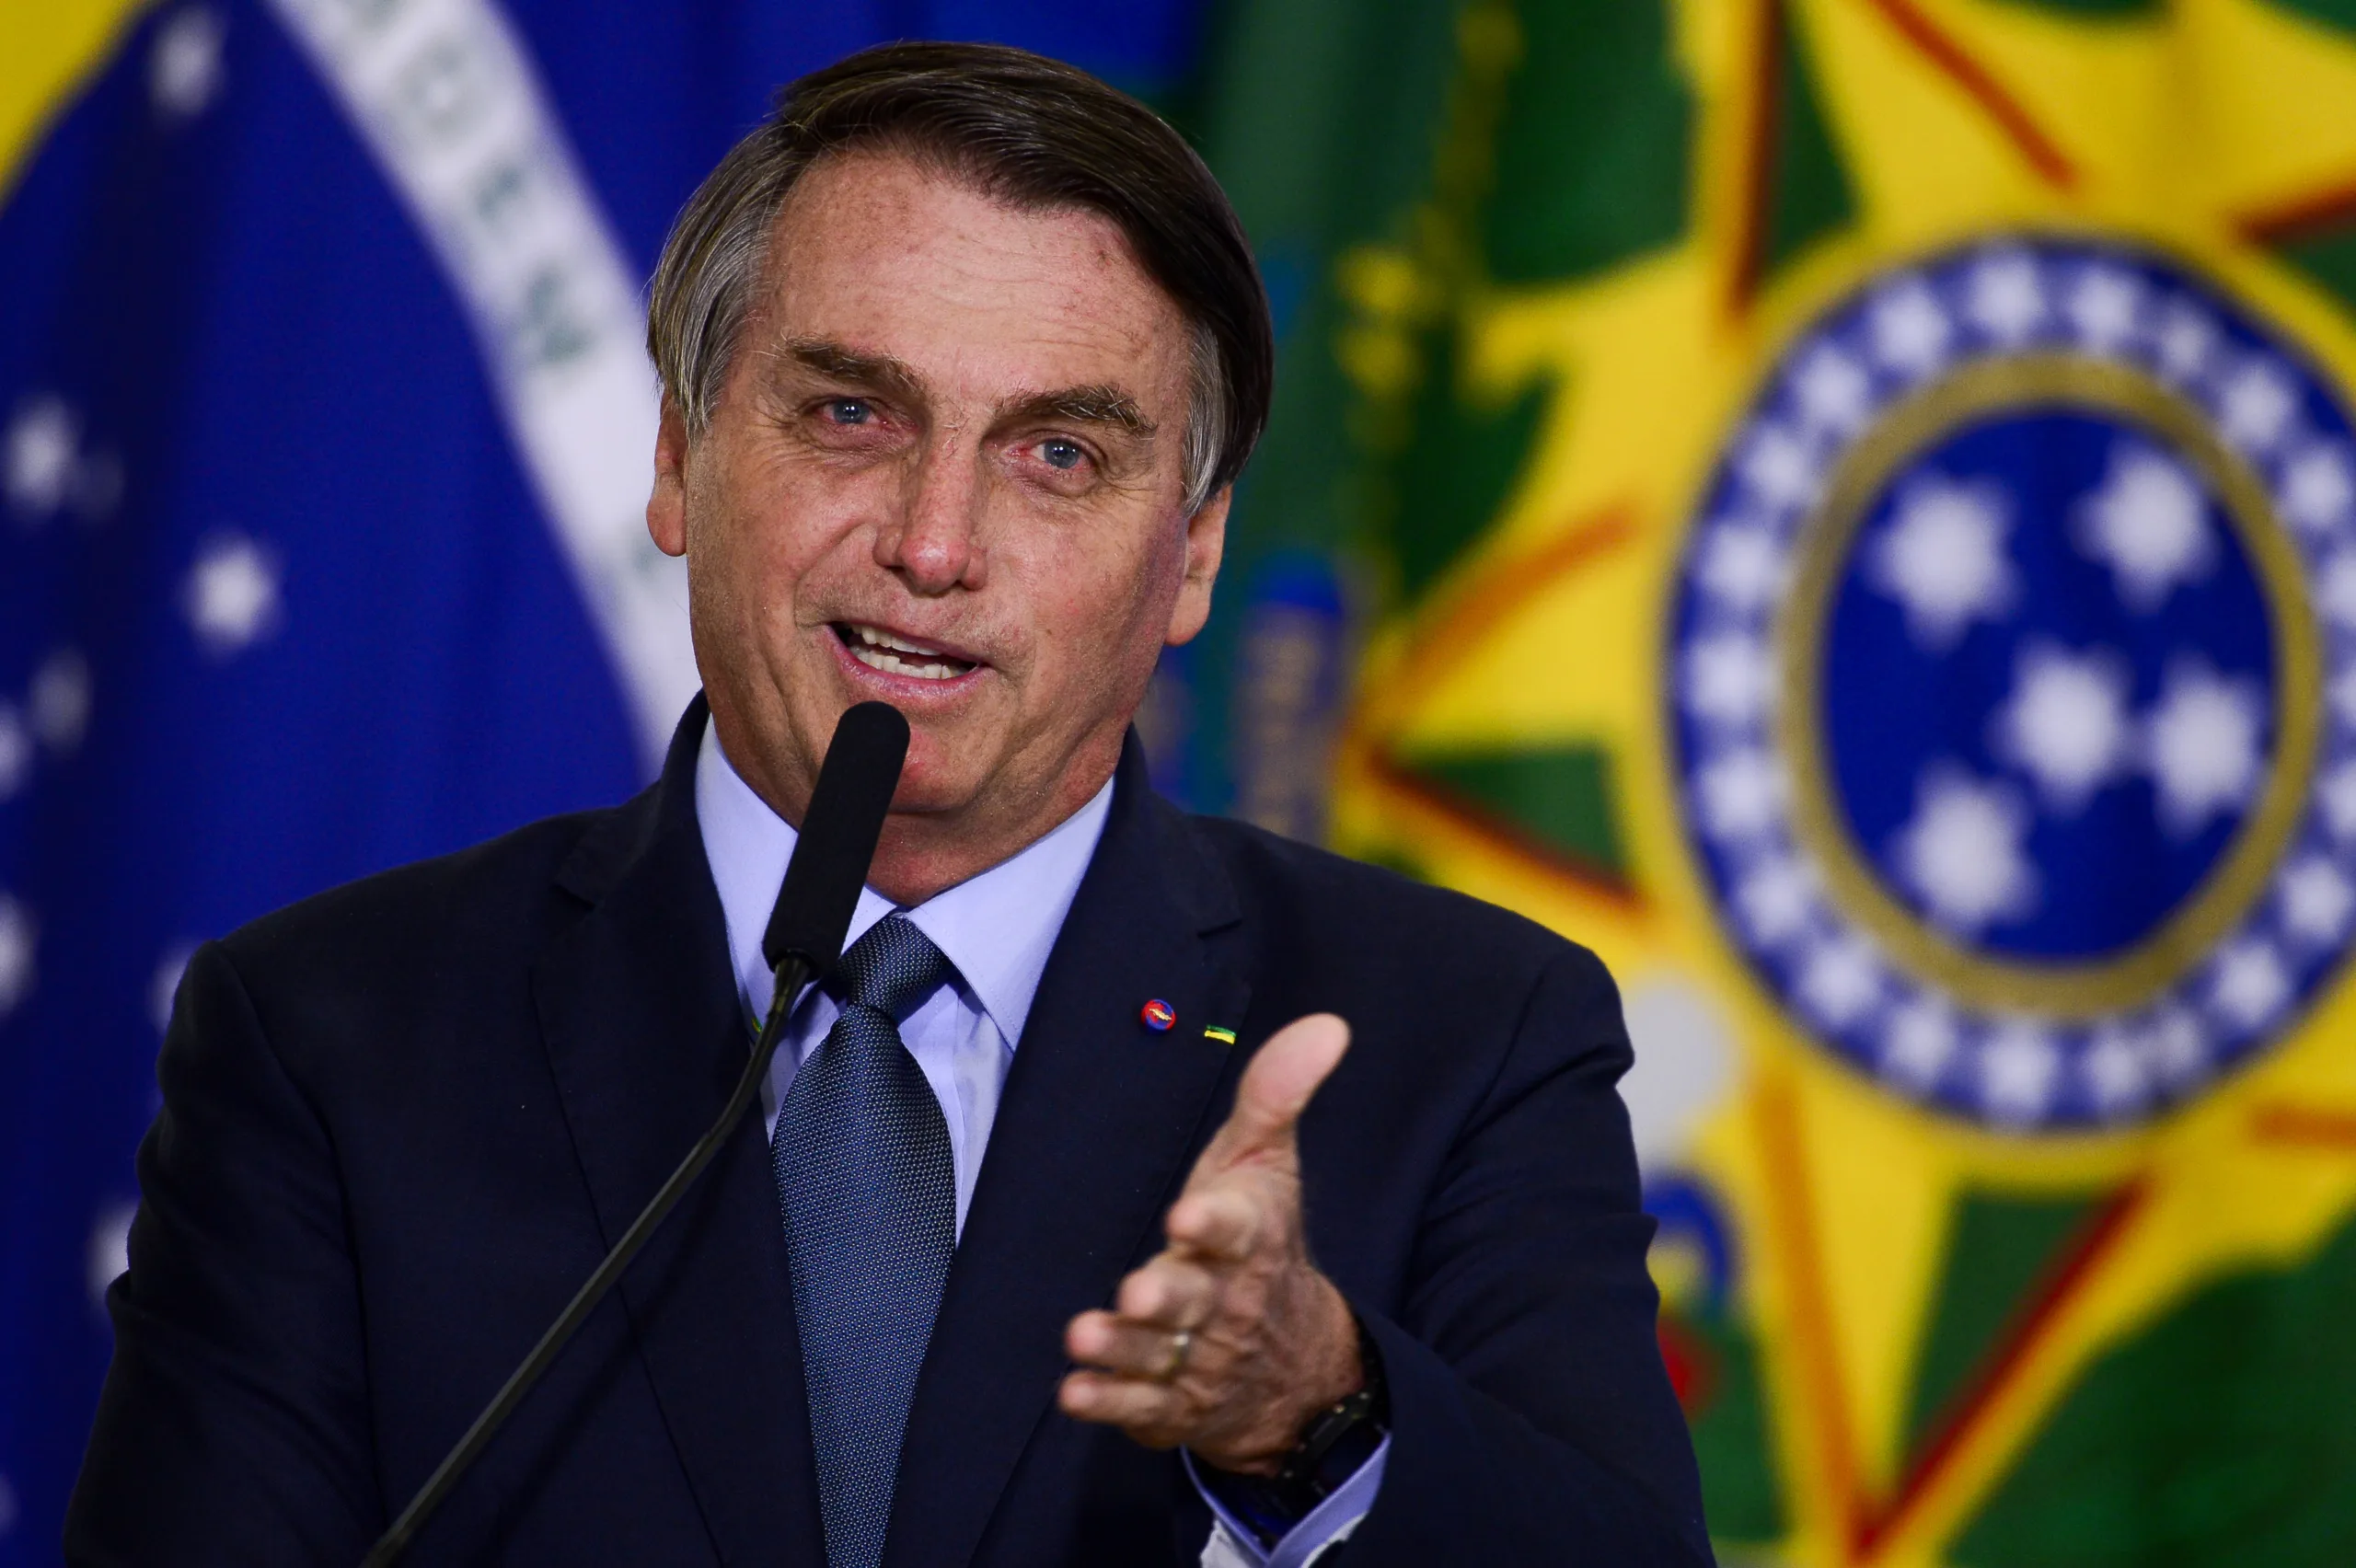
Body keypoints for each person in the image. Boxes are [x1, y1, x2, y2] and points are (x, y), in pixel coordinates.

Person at [67, 40, 1710, 1568]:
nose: (933, 543)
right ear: (679, 454)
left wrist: (1314, 1410)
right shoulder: (330, 1039)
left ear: (1194, 551)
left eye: (1058, 453)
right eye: (853, 413)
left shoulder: (1459, 1035)